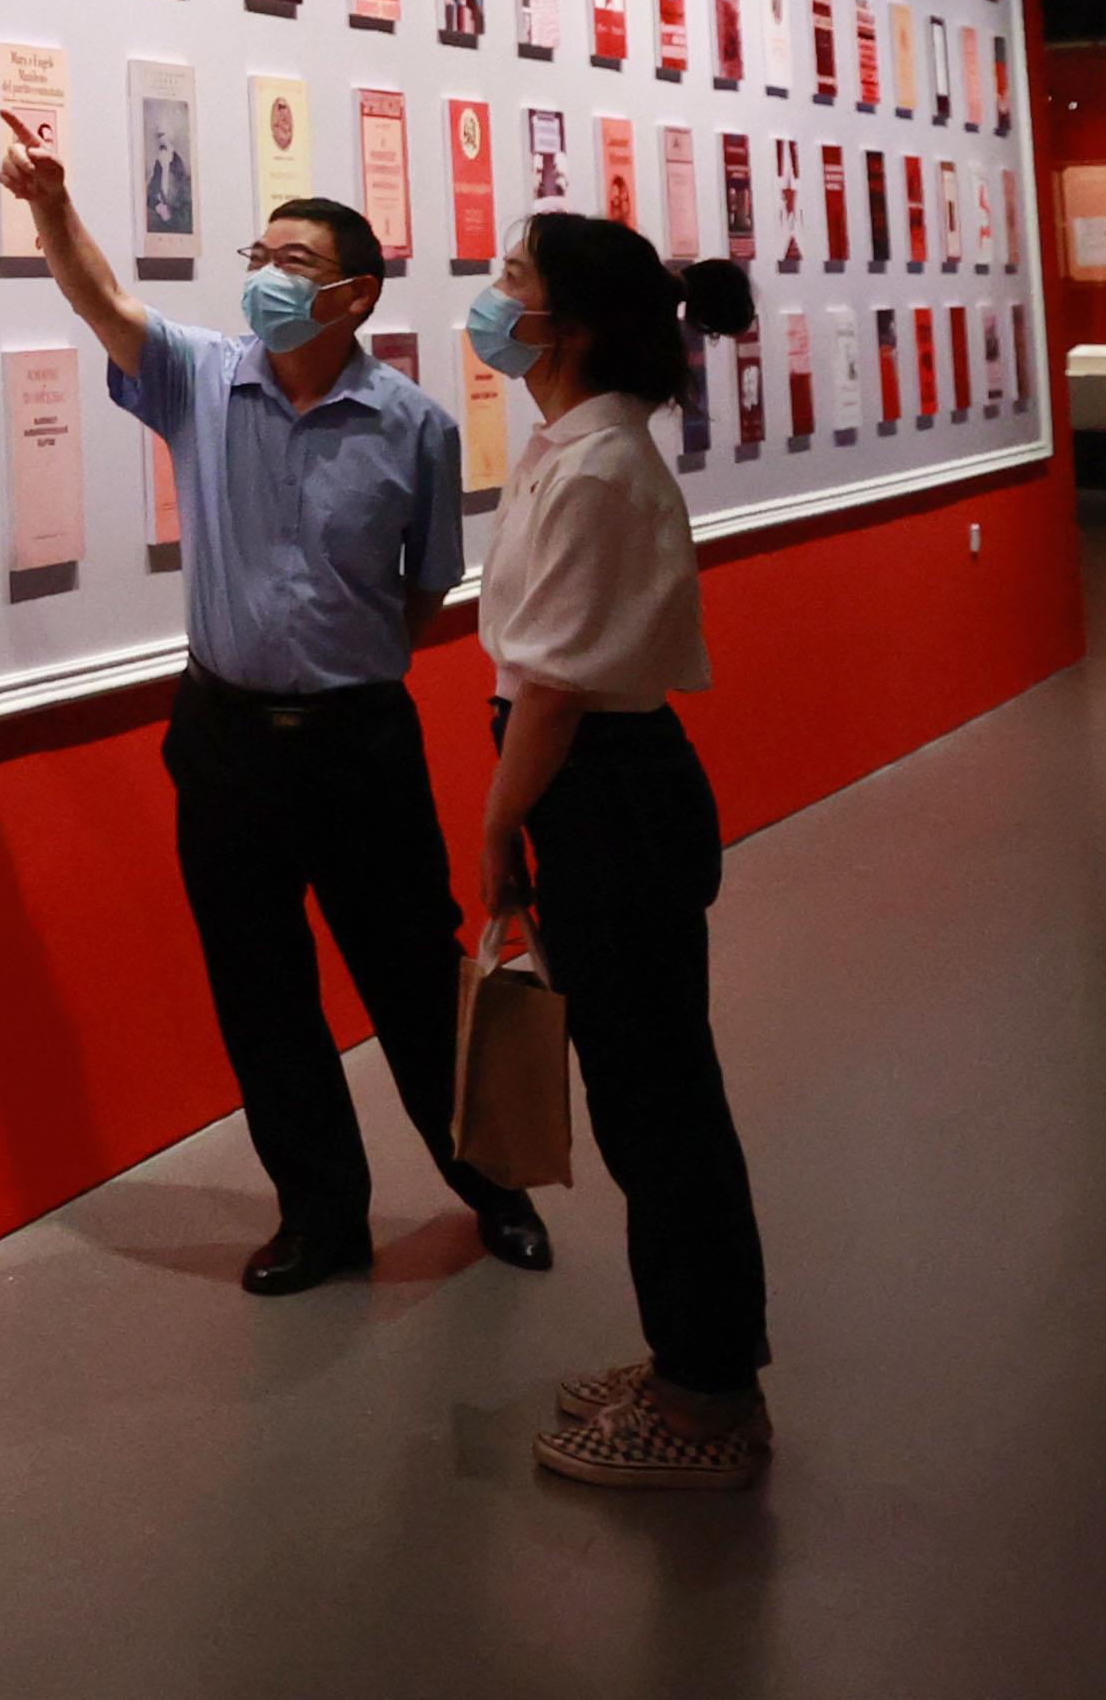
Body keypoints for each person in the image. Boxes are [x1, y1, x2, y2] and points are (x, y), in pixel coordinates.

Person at [0, 131, 550, 1293]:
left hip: (358, 743)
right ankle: (319, 1215)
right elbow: (102, 302)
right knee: (258, 991)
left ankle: (495, 1186)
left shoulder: (412, 425)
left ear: (353, 295)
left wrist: (335, 659)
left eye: (292, 262)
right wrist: (50, 208)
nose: (265, 277)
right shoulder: (201, 379)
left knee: (413, 974)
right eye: (260, 256)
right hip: (225, 740)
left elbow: (422, 588)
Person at [468, 211, 777, 1491]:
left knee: (658, 1110)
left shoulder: (596, 468)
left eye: (513, 278)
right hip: (597, 791)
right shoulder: (579, 448)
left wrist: (495, 829)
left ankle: (705, 1399)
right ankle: (683, 1363)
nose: (491, 297)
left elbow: (548, 691)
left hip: (603, 795)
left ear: (573, 324)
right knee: (647, 1097)